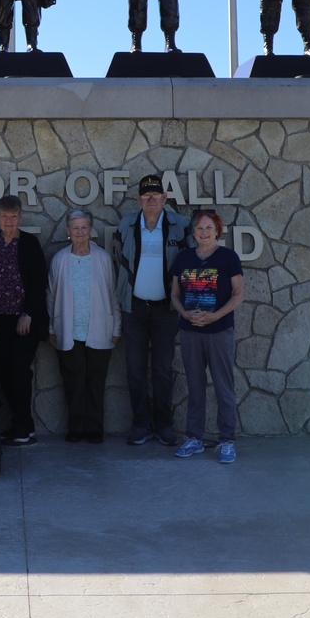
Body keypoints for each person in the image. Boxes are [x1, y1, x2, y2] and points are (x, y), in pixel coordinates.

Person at [113, 174, 189, 446]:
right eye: (146, 196)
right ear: (139, 200)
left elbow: (189, 264)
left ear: (164, 199)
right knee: (134, 369)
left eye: (156, 195)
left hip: (165, 311)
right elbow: (118, 260)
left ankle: (164, 425)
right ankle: (141, 424)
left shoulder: (180, 227)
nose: (151, 200)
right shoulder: (127, 225)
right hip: (134, 310)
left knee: (162, 370)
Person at [170, 209, 244, 464]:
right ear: (193, 232)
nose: (204, 233)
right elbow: (175, 294)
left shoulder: (228, 258)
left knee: (224, 386)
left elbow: (238, 294)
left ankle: (227, 440)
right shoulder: (183, 258)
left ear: (217, 231)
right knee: (195, 385)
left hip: (219, 331)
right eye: (199, 229)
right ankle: (194, 438)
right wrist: (185, 315)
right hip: (190, 332)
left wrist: (215, 316)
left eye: (208, 228)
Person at [0, 195, 49, 443]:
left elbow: (39, 282)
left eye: (13, 216)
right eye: (4, 216)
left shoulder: (29, 243)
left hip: (22, 321)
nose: (9, 221)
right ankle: (17, 425)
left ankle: (25, 428)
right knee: (2, 371)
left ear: (20, 217)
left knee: (18, 371)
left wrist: (27, 313)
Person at [47, 208, 121, 443]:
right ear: (68, 231)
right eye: (75, 227)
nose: (80, 232)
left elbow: (112, 294)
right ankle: (76, 428)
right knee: (73, 382)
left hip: (100, 330)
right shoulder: (60, 259)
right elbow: (50, 295)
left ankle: (95, 428)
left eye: (84, 227)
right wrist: (51, 327)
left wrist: (116, 326)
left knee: (96, 382)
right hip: (69, 331)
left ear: (90, 230)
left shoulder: (102, 258)